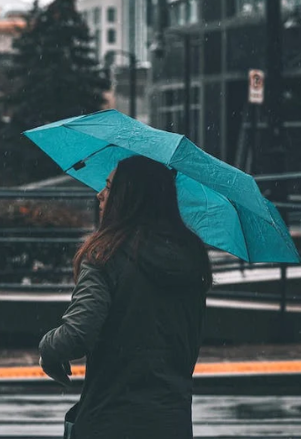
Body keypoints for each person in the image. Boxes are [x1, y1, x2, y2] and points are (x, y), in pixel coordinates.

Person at [38, 155, 213, 439]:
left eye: (108, 187)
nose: (99, 195)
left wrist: (48, 348)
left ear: (127, 197)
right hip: (172, 421)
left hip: (111, 419)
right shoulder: (191, 256)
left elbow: (77, 334)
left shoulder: (105, 255)